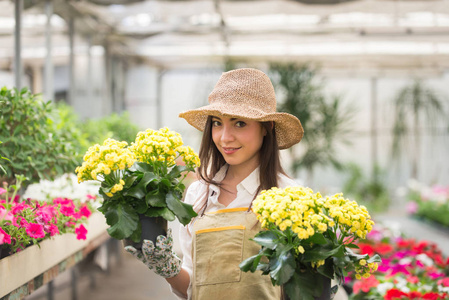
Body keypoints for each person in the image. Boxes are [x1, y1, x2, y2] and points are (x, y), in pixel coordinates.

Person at [125, 68, 347, 300]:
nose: (225, 137)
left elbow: (307, 290)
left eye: (239, 123)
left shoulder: (291, 196)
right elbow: (194, 289)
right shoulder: (198, 194)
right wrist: (166, 268)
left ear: (266, 127)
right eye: (218, 124)